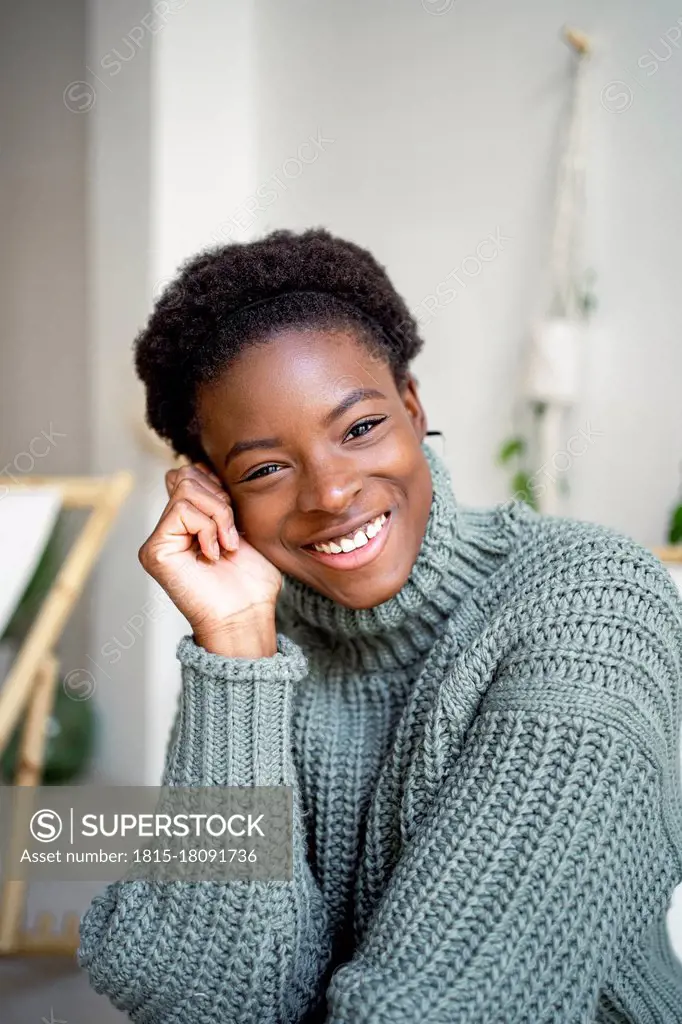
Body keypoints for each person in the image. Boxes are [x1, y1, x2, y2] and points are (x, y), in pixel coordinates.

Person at [77, 228, 682, 1023]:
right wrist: (234, 646)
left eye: (359, 427)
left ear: (411, 406)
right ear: (212, 491)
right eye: (264, 468)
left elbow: (455, 1004)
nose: (330, 492)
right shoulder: (255, 657)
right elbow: (212, 1001)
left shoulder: (593, 601)